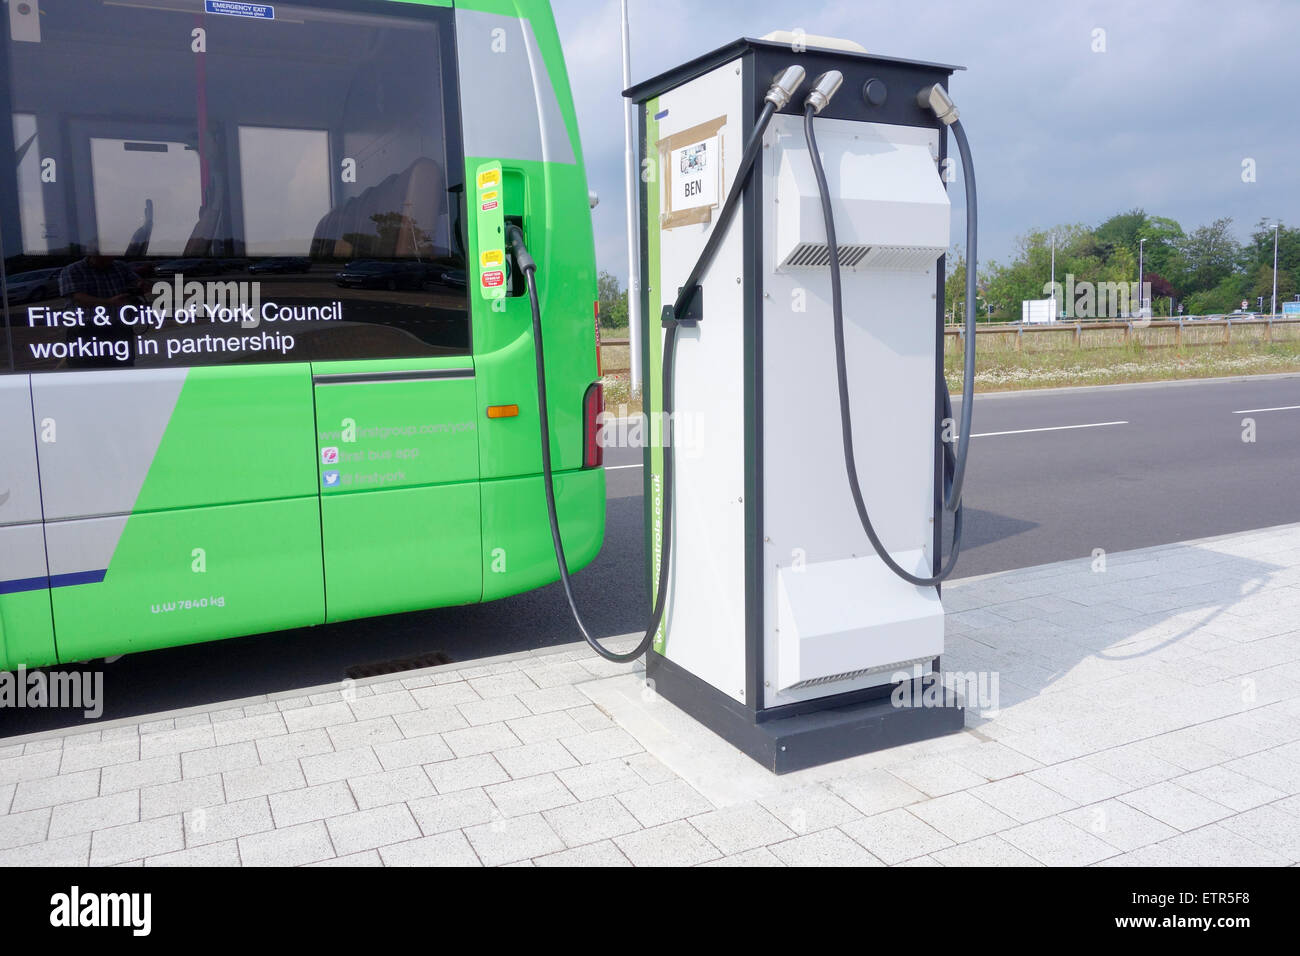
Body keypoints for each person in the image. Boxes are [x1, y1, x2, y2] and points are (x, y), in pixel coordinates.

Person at [58, 248, 142, 367]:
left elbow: (136, 282)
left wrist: (140, 285)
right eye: (105, 256)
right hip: (86, 331)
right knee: (86, 370)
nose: (110, 259)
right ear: (92, 254)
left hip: (119, 328)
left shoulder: (120, 267)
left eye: (112, 255)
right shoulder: (72, 270)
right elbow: (78, 298)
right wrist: (109, 302)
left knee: (123, 369)